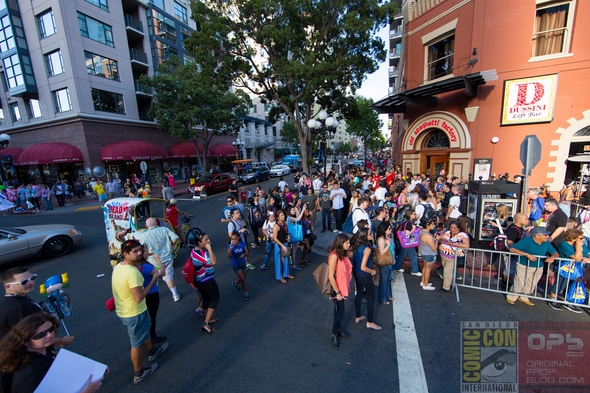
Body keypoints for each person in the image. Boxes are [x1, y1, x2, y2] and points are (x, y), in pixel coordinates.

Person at [0, 313, 104, 393]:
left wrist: (92, 367)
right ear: (25, 341)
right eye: (41, 334)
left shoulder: (42, 350)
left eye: (51, 329)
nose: (49, 335)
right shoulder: (31, 374)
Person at [112, 240, 167, 384]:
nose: (138, 254)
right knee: (136, 344)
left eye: (139, 250)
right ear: (125, 254)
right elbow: (139, 297)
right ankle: (139, 372)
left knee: (145, 330)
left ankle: (152, 352)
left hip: (124, 310)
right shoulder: (132, 273)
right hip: (134, 313)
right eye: (134, 252)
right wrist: (153, 279)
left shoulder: (119, 267)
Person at [0, 267, 75, 347]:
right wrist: (62, 341)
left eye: (32, 278)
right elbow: (32, 338)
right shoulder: (20, 308)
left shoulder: (8, 300)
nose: (30, 282)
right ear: (8, 287)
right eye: (24, 282)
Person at [506, 227, 558, 306]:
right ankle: (511, 296)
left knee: (532, 282)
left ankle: (524, 296)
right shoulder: (526, 241)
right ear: (537, 236)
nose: (547, 236)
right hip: (523, 264)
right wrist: (527, 255)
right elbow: (512, 249)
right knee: (520, 282)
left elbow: (555, 253)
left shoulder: (546, 243)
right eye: (545, 235)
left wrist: (552, 257)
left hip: (539, 266)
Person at [547, 229, 589, 313]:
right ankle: (553, 299)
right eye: (580, 238)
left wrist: (587, 259)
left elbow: (588, 254)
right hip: (565, 268)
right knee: (560, 283)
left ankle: (568, 301)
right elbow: (577, 258)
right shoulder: (564, 244)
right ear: (573, 238)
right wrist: (578, 247)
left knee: (572, 284)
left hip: (577, 269)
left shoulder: (581, 244)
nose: (582, 239)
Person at [139, 218, 181, 302]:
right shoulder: (164, 229)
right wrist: (171, 245)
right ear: (156, 223)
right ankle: (175, 295)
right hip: (167, 258)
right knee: (168, 277)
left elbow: (142, 249)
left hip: (154, 261)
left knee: (156, 274)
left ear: (146, 226)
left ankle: (154, 288)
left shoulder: (143, 236)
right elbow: (175, 238)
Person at [350, 228, 382, 331]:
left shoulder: (356, 246)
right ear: (365, 236)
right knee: (371, 297)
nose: (371, 234)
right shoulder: (367, 249)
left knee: (359, 293)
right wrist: (372, 272)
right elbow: (363, 266)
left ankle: (358, 315)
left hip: (356, 272)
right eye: (369, 234)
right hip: (364, 274)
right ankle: (370, 322)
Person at [190, 232, 219, 333]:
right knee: (215, 297)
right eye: (206, 240)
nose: (208, 241)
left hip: (199, 280)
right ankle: (206, 323)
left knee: (206, 298)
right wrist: (210, 249)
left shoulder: (195, 250)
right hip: (205, 280)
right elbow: (214, 262)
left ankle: (208, 318)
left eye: (208, 239)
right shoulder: (201, 254)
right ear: (199, 242)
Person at [327, 233, 352, 350]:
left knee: (340, 312)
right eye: (346, 243)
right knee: (340, 313)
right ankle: (334, 333)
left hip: (342, 287)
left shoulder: (343, 254)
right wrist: (337, 292)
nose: (349, 244)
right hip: (337, 289)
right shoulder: (334, 256)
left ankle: (338, 329)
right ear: (340, 243)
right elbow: (331, 276)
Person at [138, 246, 165, 344]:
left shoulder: (138, 266)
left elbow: (155, 270)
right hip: (151, 294)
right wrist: (158, 260)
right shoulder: (146, 267)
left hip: (143, 293)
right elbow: (161, 272)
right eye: (145, 251)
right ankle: (152, 336)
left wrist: (156, 266)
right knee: (152, 316)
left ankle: (147, 336)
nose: (148, 252)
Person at [436, 220, 470, 293]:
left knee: (447, 271)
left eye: (454, 228)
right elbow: (441, 238)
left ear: (458, 228)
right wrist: (440, 238)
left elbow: (466, 245)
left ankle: (446, 287)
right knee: (447, 270)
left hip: (453, 256)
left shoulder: (462, 235)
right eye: (451, 227)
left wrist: (453, 244)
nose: (452, 229)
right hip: (443, 254)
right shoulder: (447, 232)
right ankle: (449, 283)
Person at [394, 209, 421, 275]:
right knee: (413, 255)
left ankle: (396, 267)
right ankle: (415, 270)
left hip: (404, 242)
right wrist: (414, 229)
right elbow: (407, 234)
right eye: (414, 214)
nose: (415, 215)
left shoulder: (405, 221)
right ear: (410, 215)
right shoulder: (409, 223)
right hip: (408, 242)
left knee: (402, 254)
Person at [375, 222, 394, 304]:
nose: (391, 230)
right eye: (389, 228)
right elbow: (382, 252)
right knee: (384, 280)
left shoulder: (387, 237)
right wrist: (388, 244)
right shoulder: (381, 239)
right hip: (384, 261)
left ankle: (387, 294)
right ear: (384, 230)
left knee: (387, 279)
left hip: (389, 260)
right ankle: (382, 297)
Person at [273, 210, 294, 283]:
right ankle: (280, 276)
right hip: (279, 245)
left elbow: (285, 233)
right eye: (281, 215)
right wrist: (282, 246)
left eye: (283, 215)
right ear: (278, 217)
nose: (283, 216)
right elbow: (275, 238)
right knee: (279, 261)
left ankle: (286, 273)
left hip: (285, 243)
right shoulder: (276, 226)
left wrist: (287, 237)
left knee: (286, 260)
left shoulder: (285, 223)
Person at [228, 232, 250, 301]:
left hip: (242, 263)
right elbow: (229, 256)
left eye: (235, 239)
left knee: (244, 277)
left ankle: (235, 283)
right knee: (243, 279)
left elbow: (247, 252)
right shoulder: (230, 246)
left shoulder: (242, 243)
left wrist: (244, 255)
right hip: (235, 264)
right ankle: (246, 293)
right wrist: (230, 249)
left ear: (239, 238)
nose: (234, 241)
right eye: (232, 239)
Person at [419, 218, 438, 290]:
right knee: (428, 269)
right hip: (429, 253)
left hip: (424, 252)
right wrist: (436, 241)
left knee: (425, 267)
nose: (434, 225)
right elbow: (434, 248)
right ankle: (426, 285)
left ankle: (423, 281)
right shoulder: (428, 236)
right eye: (432, 224)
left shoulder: (422, 232)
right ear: (428, 225)